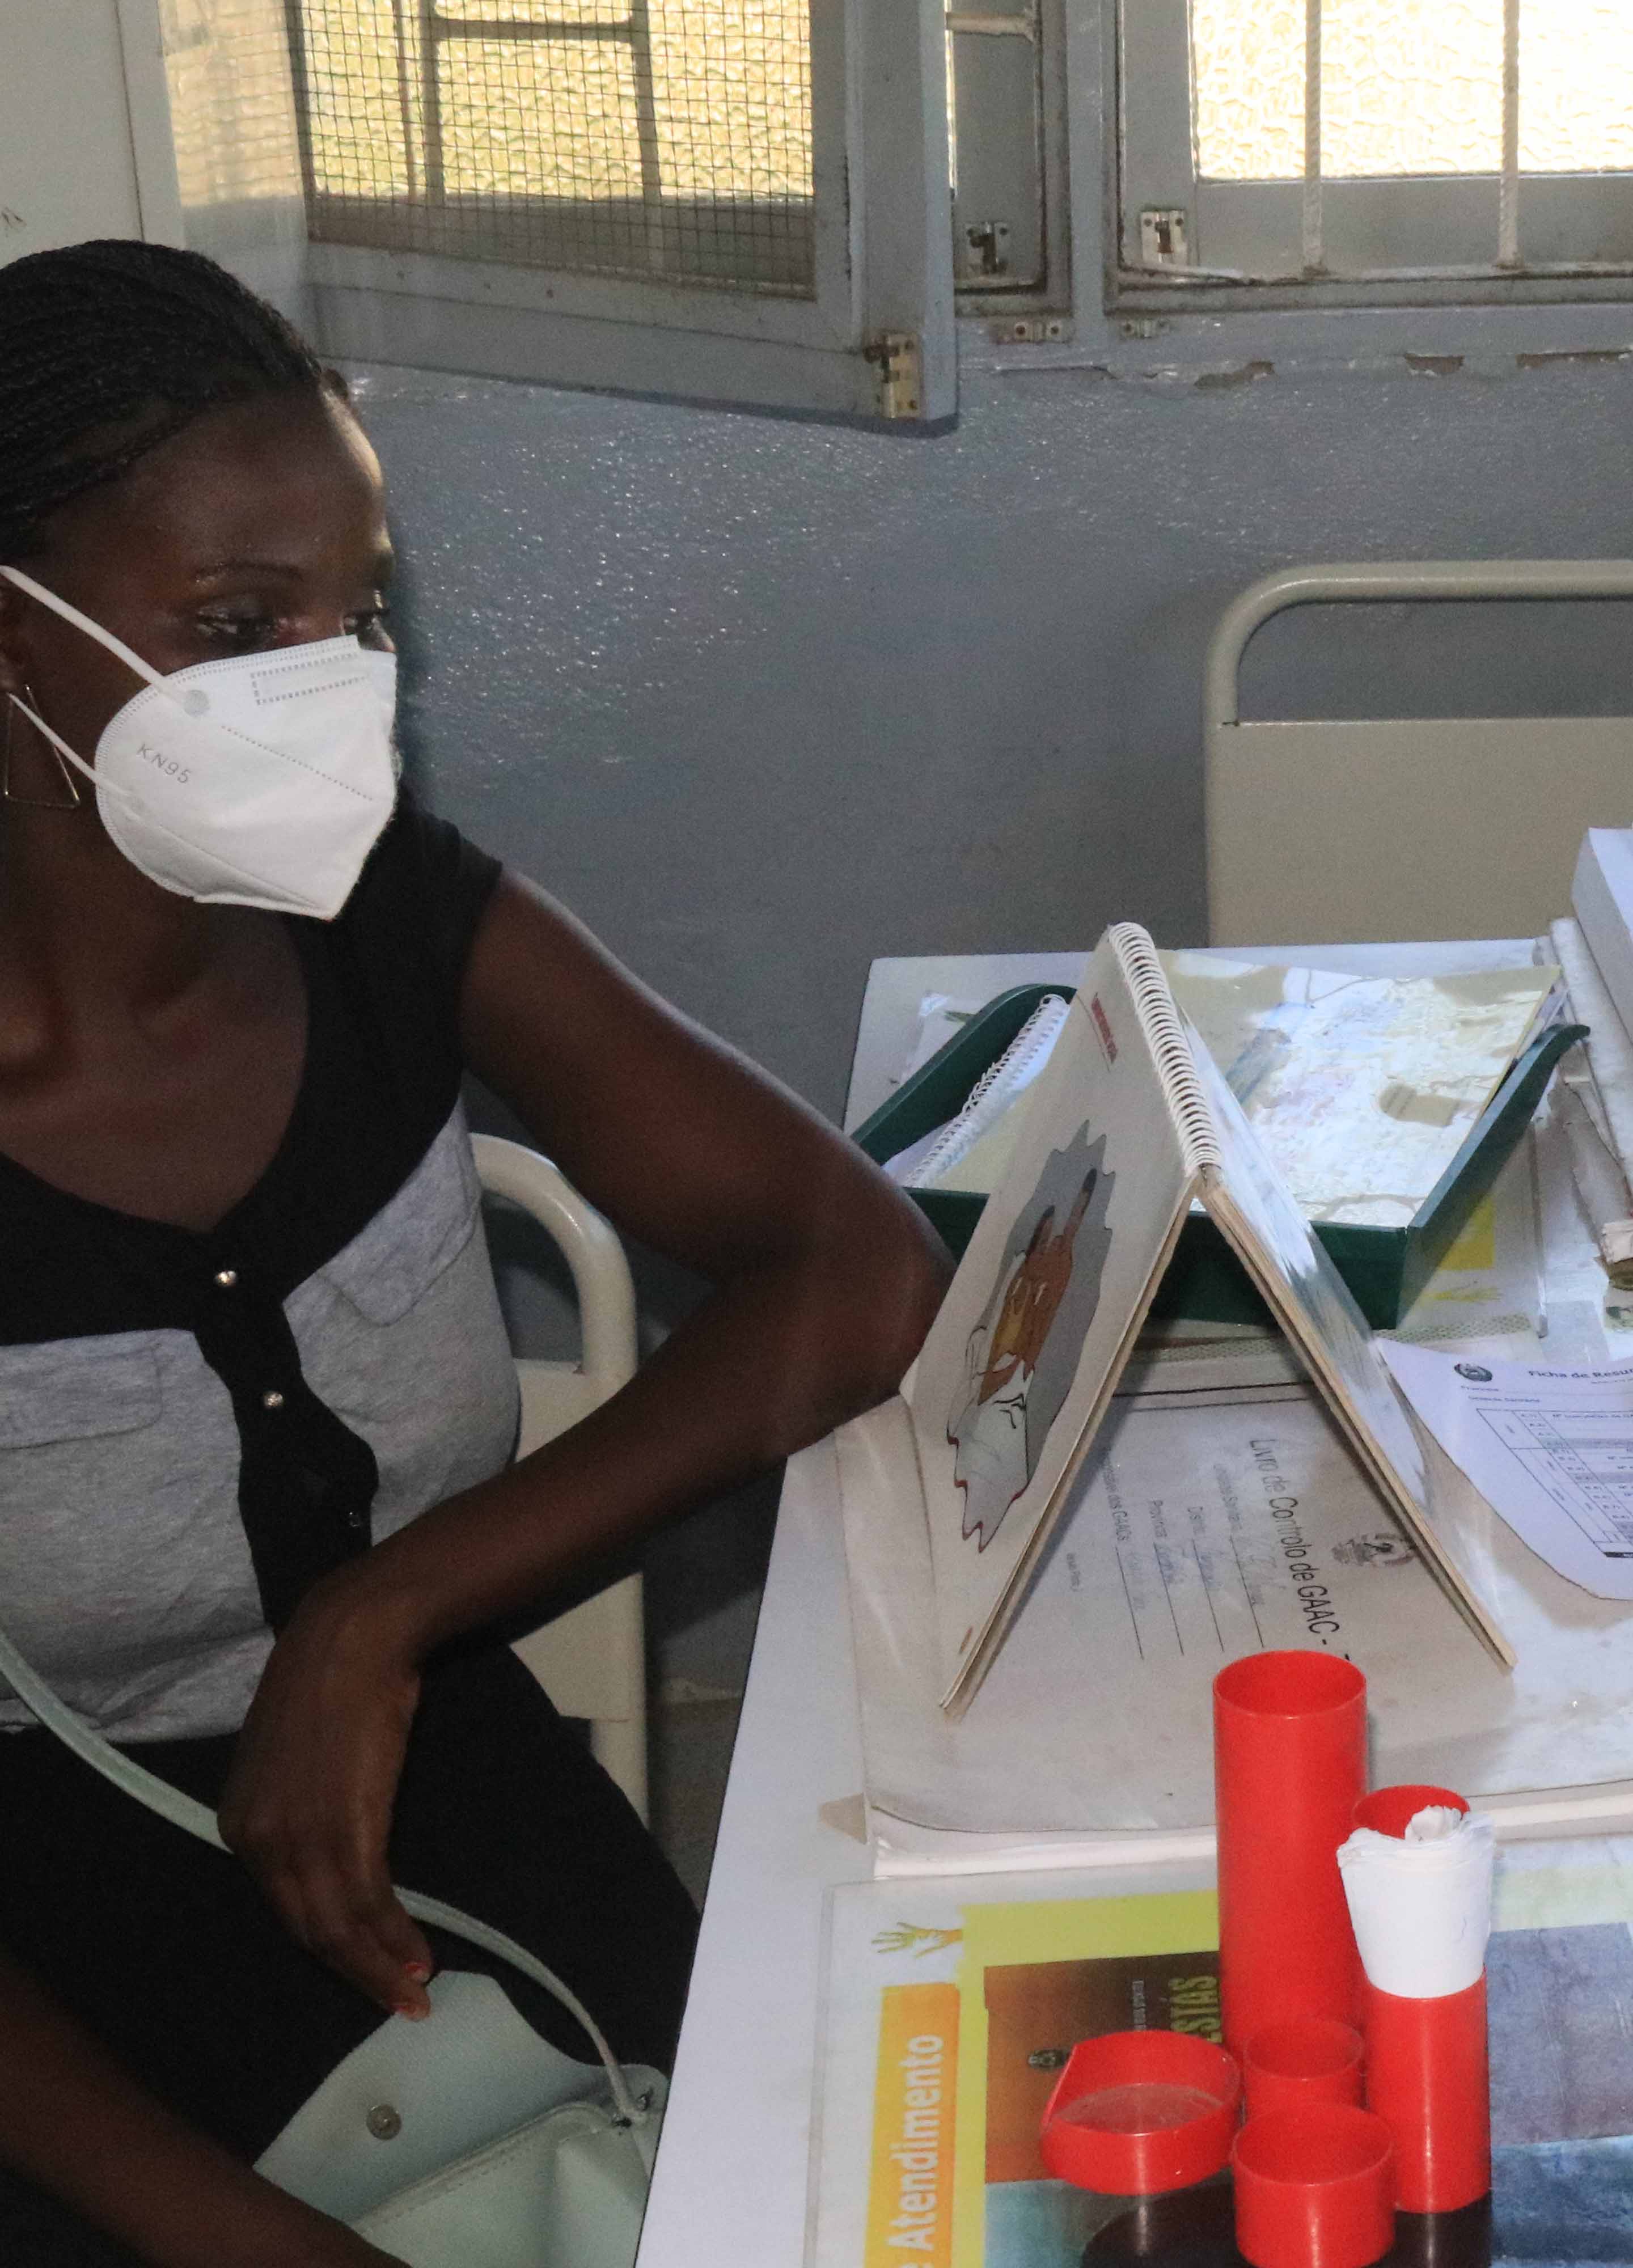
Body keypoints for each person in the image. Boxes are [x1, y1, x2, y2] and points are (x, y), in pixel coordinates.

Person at [0, 242, 947, 2263]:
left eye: (361, 618)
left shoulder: (382, 915)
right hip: (54, 1968)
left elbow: (849, 1263)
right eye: (241, 625)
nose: (332, 692)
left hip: (448, 1798)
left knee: (836, 2190)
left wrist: (377, 1621)